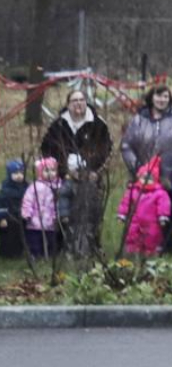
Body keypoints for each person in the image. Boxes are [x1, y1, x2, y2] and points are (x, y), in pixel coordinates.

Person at [42, 85, 113, 259]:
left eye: (81, 100)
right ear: (68, 104)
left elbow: (106, 150)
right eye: (74, 101)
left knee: (90, 212)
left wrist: (92, 171)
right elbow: (48, 150)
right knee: (63, 211)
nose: (78, 104)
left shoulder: (97, 124)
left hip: (91, 176)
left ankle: (90, 247)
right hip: (64, 176)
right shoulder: (58, 125)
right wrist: (64, 171)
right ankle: (62, 248)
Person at [121, 84, 172, 186]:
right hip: (143, 180)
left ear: (170, 99)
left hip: (171, 180)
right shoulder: (138, 120)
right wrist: (137, 167)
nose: (162, 100)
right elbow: (126, 146)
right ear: (151, 97)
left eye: (165, 96)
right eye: (158, 96)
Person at [117, 160, 172, 258]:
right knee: (132, 238)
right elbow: (126, 202)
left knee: (152, 239)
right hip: (134, 222)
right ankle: (132, 256)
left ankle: (150, 257)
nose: (146, 181)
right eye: (143, 178)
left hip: (152, 223)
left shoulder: (159, 192)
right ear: (139, 177)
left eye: (150, 179)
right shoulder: (133, 190)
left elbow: (164, 204)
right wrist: (122, 214)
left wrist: (163, 216)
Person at [22, 159, 61, 260]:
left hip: (50, 219)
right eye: (46, 171)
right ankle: (35, 254)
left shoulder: (58, 186)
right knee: (34, 239)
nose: (50, 173)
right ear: (40, 172)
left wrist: (57, 216)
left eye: (53, 170)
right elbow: (28, 200)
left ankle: (49, 255)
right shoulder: (34, 186)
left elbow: (60, 203)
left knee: (51, 239)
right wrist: (27, 213)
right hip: (35, 219)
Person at [0, 159, 25, 259]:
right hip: (9, 216)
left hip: (21, 215)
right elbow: (2, 203)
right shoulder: (5, 188)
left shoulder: (25, 186)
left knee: (19, 236)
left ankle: (19, 252)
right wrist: (2, 218)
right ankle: (7, 253)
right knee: (8, 236)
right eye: (15, 173)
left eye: (21, 173)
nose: (19, 176)